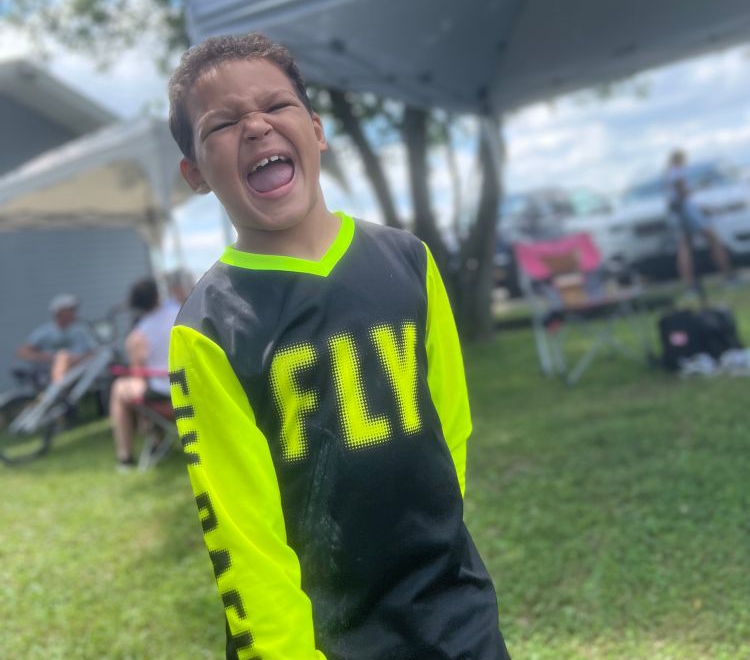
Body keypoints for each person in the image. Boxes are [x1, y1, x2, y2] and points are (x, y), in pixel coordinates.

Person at [166, 33, 511, 660]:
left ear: (317, 131)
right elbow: (241, 534)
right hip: (332, 635)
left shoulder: (407, 260)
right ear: (195, 173)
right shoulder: (210, 327)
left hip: (456, 608)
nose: (255, 126)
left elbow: (449, 424)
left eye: (277, 105)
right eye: (222, 122)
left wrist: (437, 541)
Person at [109, 275, 182, 471]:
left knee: (120, 388)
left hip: (166, 398)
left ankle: (125, 457)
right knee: (147, 388)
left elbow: (138, 376)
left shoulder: (138, 336)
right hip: (193, 390)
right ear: (158, 294)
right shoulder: (181, 313)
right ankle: (157, 442)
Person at [665, 149, 733, 292]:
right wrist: (698, 188)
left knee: (685, 247)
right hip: (685, 213)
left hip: (682, 212)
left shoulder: (671, 173)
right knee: (711, 241)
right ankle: (727, 276)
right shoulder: (676, 172)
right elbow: (682, 194)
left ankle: (690, 285)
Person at [16, 294, 96, 386]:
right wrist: (47, 357)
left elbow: (92, 352)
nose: (74, 312)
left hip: (78, 369)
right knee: (63, 356)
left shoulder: (81, 331)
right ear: (59, 312)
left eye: (74, 309)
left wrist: (80, 358)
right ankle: (57, 389)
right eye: (70, 310)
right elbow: (23, 352)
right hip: (49, 371)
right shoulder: (46, 331)